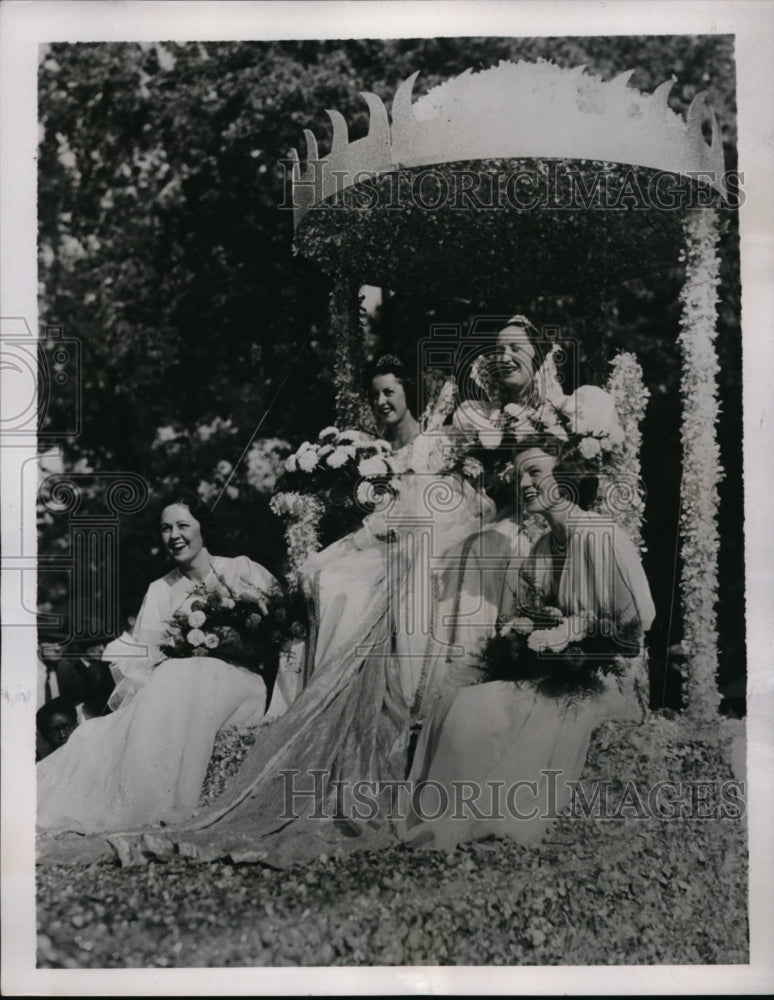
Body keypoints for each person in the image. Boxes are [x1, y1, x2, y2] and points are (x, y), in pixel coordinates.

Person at [102, 356, 495, 867]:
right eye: (375, 393)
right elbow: (374, 515)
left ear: (409, 395)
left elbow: (461, 502)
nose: (382, 402)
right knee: (325, 580)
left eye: (390, 392)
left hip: (425, 544)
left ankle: (366, 700)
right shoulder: (373, 453)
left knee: (352, 590)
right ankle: (322, 700)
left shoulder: (435, 445)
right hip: (382, 541)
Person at [399, 437, 656, 851]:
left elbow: (636, 626)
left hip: (607, 676)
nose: (524, 484)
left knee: (510, 709)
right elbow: (535, 618)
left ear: (566, 477)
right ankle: (456, 816)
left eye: (535, 471)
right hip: (560, 670)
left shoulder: (597, 534)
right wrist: (533, 638)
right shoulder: (539, 550)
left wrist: (577, 641)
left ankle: (494, 816)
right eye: (518, 476)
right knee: (460, 703)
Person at [36, 495, 280, 838]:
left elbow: (277, 634)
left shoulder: (241, 570)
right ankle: (146, 798)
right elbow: (144, 661)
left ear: (202, 528)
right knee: (114, 720)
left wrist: (231, 642)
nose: (174, 535)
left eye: (183, 525)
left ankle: (180, 800)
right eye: (165, 529)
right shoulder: (159, 590)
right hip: (183, 686)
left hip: (240, 680)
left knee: (183, 674)